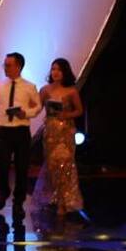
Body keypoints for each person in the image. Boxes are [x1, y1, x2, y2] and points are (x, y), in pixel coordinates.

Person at [0, 51, 42, 216]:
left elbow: (37, 107)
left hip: (21, 131)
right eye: (5, 65)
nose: (5, 68)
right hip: (4, 131)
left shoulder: (29, 86)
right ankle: (3, 191)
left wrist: (26, 113)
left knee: (22, 168)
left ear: (18, 67)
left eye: (8, 65)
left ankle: (18, 202)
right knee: (2, 165)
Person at [32, 58, 86, 220]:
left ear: (65, 72)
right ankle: (55, 197)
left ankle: (64, 202)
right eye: (53, 69)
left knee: (65, 165)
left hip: (66, 132)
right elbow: (36, 108)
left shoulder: (71, 91)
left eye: (59, 69)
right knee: (52, 166)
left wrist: (66, 114)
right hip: (50, 133)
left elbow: (79, 110)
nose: (55, 72)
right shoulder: (45, 90)